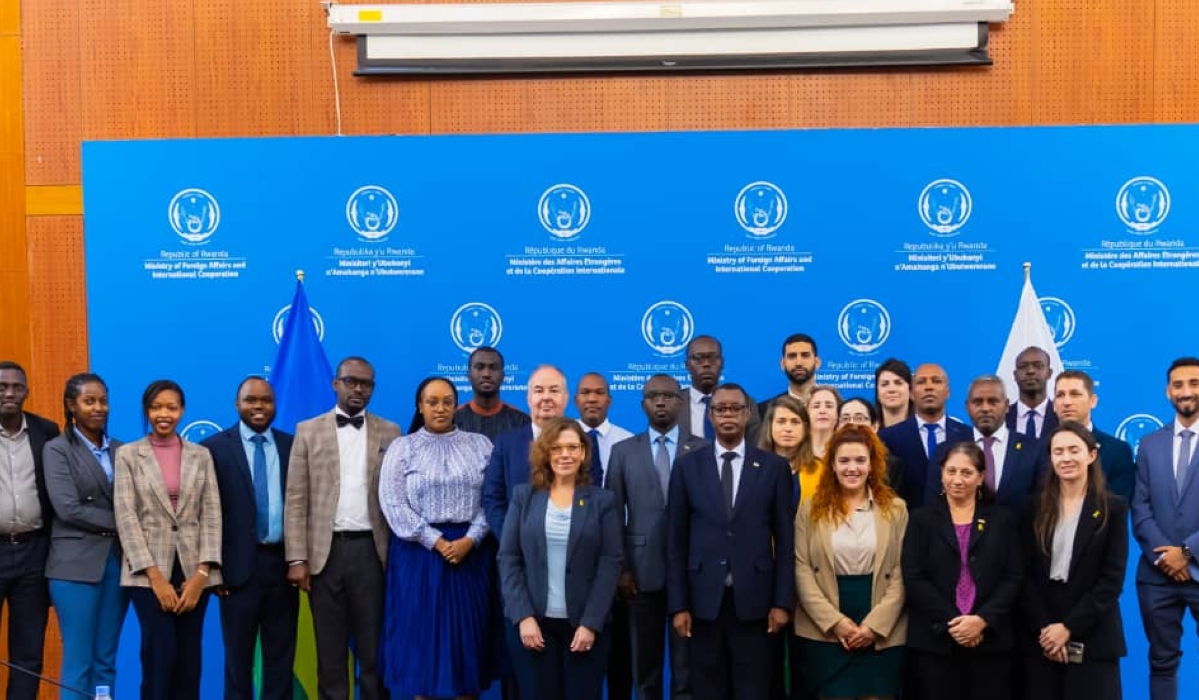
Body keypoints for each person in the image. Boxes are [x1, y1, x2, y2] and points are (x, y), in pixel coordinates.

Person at [284, 356, 402, 700]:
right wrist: (296, 559)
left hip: (372, 554)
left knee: (372, 652)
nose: (358, 389)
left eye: (366, 384)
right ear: (336, 383)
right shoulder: (308, 430)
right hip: (324, 556)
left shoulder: (391, 432)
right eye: (351, 381)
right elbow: (295, 499)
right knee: (331, 653)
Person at [667, 383, 793, 700]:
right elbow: (676, 541)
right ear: (710, 415)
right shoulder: (686, 466)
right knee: (708, 691)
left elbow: (786, 540)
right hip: (702, 604)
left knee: (754, 690)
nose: (728, 415)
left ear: (748, 414)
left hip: (756, 604)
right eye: (720, 409)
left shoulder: (773, 468)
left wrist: (781, 602)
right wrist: (679, 605)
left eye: (735, 408)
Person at [379, 376, 495, 699]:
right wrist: (436, 541)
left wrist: (471, 539)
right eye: (432, 402)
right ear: (420, 406)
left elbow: (493, 499)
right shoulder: (403, 448)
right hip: (419, 556)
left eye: (447, 401)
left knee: (465, 649)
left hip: (469, 555)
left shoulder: (480, 445)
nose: (440, 408)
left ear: (455, 405)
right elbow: (393, 504)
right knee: (422, 649)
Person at [498, 417, 622, 700]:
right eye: (557, 448)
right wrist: (523, 617)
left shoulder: (602, 501)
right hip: (534, 627)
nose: (565, 454)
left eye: (572, 447)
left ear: (583, 452)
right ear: (545, 452)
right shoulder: (523, 496)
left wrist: (590, 623)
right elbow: (508, 557)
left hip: (584, 628)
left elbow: (610, 563)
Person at [113, 379, 222, 700]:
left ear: (182, 410)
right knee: (160, 656)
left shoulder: (201, 455)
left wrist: (202, 574)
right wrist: (156, 578)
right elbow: (126, 517)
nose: (164, 414)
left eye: (171, 407)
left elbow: (212, 514)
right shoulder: (129, 455)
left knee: (190, 661)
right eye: (157, 407)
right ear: (147, 411)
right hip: (147, 575)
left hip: (194, 574)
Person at [607, 374, 705, 700]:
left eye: (668, 395)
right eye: (652, 396)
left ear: (681, 401)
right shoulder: (623, 452)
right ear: (642, 403)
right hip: (638, 576)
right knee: (644, 673)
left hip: (690, 575)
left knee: (686, 671)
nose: (660, 401)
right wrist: (621, 569)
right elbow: (611, 516)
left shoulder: (701, 449)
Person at [793, 424, 907, 700]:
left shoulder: (895, 509)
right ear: (831, 465)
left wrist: (874, 626)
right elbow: (801, 568)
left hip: (882, 631)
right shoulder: (809, 509)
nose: (851, 468)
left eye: (860, 460)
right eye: (843, 460)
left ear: (872, 465)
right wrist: (835, 623)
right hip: (824, 631)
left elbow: (902, 571)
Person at [902, 442, 1023, 700]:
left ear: (980, 478)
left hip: (990, 644)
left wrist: (982, 620)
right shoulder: (920, 519)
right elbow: (914, 576)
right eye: (951, 471)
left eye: (966, 473)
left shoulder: (1003, 520)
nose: (957, 480)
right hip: (934, 644)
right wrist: (955, 623)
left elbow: (1013, 577)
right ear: (941, 474)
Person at [201, 377, 297, 700]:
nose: (259, 407)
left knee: (280, 660)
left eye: (266, 401)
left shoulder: (292, 445)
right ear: (236, 404)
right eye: (251, 400)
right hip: (235, 572)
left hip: (283, 569)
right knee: (237, 663)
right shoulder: (213, 449)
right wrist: (213, 569)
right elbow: (206, 515)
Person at [1022, 422, 1128, 700]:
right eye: (1058, 452)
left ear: (1091, 455)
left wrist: (1068, 628)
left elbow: (1112, 580)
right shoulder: (1033, 508)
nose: (1066, 458)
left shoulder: (1113, 508)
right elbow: (1024, 574)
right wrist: (1047, 629)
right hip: (1041, 636)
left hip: (1094, 635)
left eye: (1073, 450)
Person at [483, 364, 570, 700]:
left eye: (553, 390)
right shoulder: (507, 443)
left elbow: (594, 498)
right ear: (527, 397)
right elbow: (492, 498)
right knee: (521, 669)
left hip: (570, 572)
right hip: (518, 570)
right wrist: (513, 540)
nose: (546, 398)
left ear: (565, 397)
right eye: (538, 391)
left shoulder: (581, 441)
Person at [43, 372, 127, 699]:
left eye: (103, 401)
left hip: (117, 565)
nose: (98, 408)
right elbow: (68, 509)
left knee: (106, 660)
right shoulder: (57, 450)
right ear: (71, 406)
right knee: (79, 661)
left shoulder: (123, 450)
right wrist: (124, 522)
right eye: (89, 401)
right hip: (74, 568)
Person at [1131, 356, 1199, 700]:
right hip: (1157, 576)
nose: (1186, 391)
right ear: (1167, 391)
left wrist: (1187, 553)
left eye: (1194, 383)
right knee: (1161, 662)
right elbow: (1140, 507)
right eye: (1178, 385)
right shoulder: (1149, 444)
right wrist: (1165, 558)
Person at [0, 361, 58, 700]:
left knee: (27, 655)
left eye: (16, 387)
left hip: (33, 554)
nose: (8, 392)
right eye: (2, 386)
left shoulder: (46, 431)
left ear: (26, 392)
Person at [925, 375, 1045, 510]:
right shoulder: (946, 450)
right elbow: (934, 505)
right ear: (967, 407)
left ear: (1006, 406)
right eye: (977, 402)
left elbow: (1041, 503)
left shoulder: (1033, 449)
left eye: (993, 402)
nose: (985, 408)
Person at [879, 363, 972, 509]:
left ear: (948, 392)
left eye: (936, 381)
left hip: (956, 526)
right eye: (921, 382)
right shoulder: (888, 437)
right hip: (907, 526)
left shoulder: (968, 436)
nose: (929, 387)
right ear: (911, 393)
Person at [1052, 370, 1135, 500]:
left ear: (1093, 401)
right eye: (1060, 395)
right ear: (1054, 405)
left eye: (1075, 394)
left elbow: (1118, 505)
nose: (1066, 402)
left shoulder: (1117, 451)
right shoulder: (1039, 450)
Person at [678, 336, 760, 441]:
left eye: (712, 358)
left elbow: (755, 449)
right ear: (687, 365)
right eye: (698, 358)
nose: (706, 364)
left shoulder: (746, 403)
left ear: (722, 363)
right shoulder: (674, 405)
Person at [455, 346, 531, 440]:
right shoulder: (453, 420)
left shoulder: (522, 421)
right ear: (469, 375)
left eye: (493, 368)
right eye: (480, 367)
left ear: (503, 376)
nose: (486, 374)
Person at [574, 372, 633, 487]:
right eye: (585, 392)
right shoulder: (560, 438)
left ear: (609, 400)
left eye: (599, 393)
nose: (592, 399)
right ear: (576, 400)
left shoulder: (627, 441)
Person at [758, 333, 822, 416]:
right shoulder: (764, 410)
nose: (799, 363)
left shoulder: (837, 407)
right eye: (792, 356)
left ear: (817, 363)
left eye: (805, 355)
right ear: (783, 364)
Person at [1006, 346, 1059, 441]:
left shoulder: (1061, 417)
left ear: (1049, 373)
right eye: (1023, 366)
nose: (1030, 371)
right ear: (1015, 374)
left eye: (1038, 366)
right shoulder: (1002, 417)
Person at [874, 359, 914, 429]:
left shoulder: (924, 432)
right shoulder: (868, 433)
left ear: (910, 390)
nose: (891, 389)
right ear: (877, 392)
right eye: (884, 384)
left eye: (898, 383)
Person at [807, 386, 842, 467]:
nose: (822, 411)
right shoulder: (795, 450)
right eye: (816, 406)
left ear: (838, 414)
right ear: (806, 413)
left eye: (829, 406)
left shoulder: (847, 449)